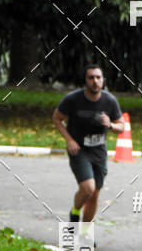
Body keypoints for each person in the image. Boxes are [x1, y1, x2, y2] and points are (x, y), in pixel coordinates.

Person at [53, 65, 124, 225]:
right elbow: (57, 118)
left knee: (94, 195)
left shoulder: (109, 101)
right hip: (79, 149)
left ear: (103, 80)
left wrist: (110, 125)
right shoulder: (73, 99)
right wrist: (69, 139)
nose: (95, 81)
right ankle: (75, 212)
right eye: (91, 77)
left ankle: (85, 233)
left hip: (99, 152)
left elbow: (121, 127)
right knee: (88, 188)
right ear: (85, 80)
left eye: (98, 77)